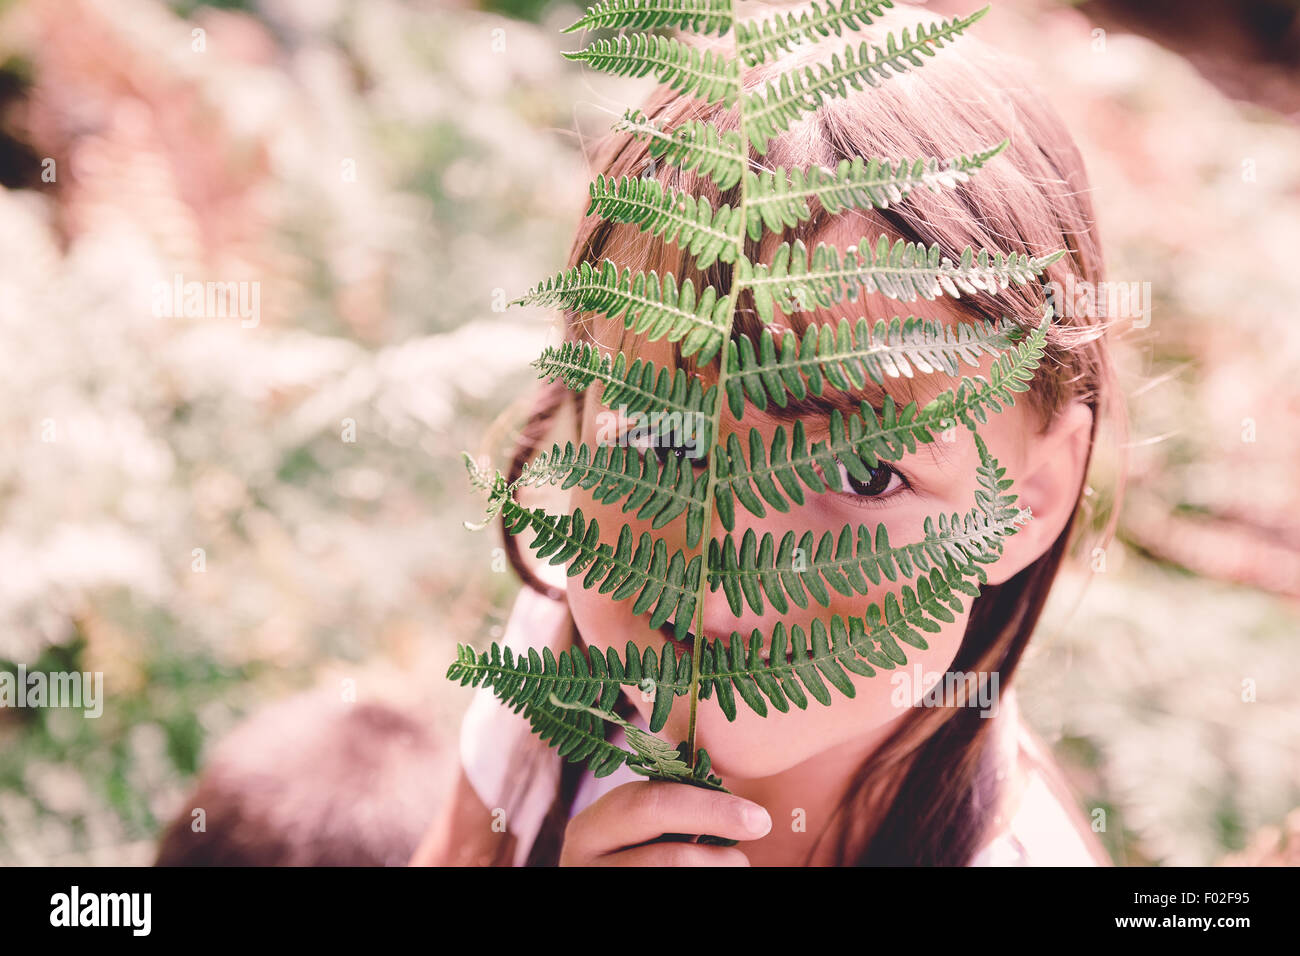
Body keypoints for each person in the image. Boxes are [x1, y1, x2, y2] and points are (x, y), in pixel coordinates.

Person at [415, 0, 1122, 866]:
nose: (722, 550)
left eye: (865, 473)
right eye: (659, 433)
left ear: (1033, 499)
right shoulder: (558, 662)